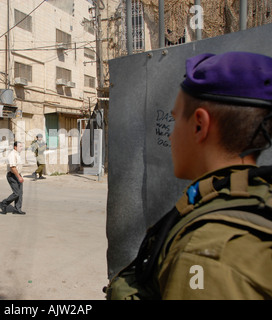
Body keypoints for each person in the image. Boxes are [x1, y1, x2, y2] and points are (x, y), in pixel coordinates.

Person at [105, 52, 272, 300]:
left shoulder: (205, 250)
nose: (171, 136)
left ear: (199, 125)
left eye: (174, 120)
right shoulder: (255, 195)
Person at [0, 141, 26, 215]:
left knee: (20, 193)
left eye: (22, 146)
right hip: (13, 176)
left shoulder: (17, 154)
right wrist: (19, 177)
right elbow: (13, 167)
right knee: (16, 193)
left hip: (17, 175)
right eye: (20, 146)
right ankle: (3, 203)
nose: (21, 148)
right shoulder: (12, 155)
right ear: (15, 147)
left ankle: (17, 209)